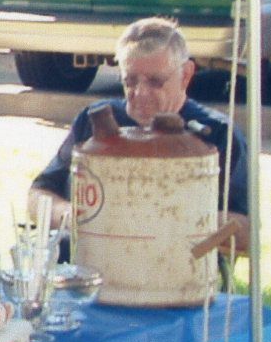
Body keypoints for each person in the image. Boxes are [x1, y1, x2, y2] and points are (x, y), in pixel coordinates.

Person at [29, 17, 249, 229]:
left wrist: (171, 220)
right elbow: (38, 194)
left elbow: (246, 229)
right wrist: (71, 216)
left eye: (155, 81)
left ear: (186, 75)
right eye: (130, 81)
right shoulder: (94, 120)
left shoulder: (217, 133)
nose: (141, 93)